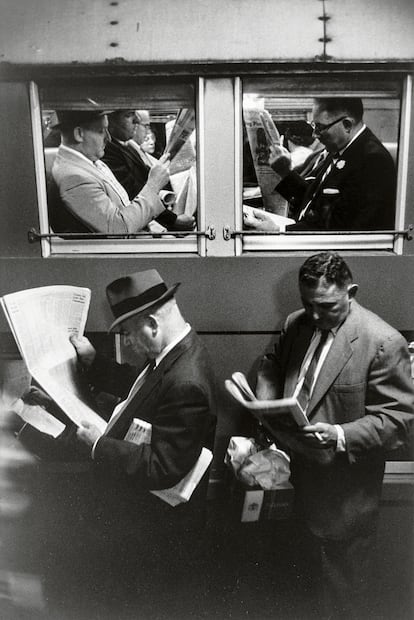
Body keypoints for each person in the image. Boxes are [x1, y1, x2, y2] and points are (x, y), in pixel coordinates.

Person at [19, 269, 217, 615]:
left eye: (128, 333)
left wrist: (98, 445)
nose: (127, 342)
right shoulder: (176, 352)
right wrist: (95, 363)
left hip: (157, 533)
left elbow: (164, 466)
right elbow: (141, 391)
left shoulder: (187, 382)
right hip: (148, 524)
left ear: (152, 324)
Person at [254, 252, 414, 619]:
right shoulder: (297, 323)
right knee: (297, 600)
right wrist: (265, 405)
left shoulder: (383, 342)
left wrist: (340, 434)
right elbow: (272, 362)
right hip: (293, 492)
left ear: (351, 292)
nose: (314, 316)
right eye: (307, 304)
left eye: (325, 306)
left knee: (339, 607)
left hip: (343, 507)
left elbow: (399, 420)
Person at [246, 98, 396, 232]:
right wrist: (285, 172)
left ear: (347, 125)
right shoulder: (340, 148)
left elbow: (338, 230)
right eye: (314, 126)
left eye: (321, 128)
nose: (315, 135)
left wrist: (280, 230)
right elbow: (313, 202)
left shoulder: (372, 161)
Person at [50, 109, 171, 234]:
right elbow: (119, 228)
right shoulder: (74, 178)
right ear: (79, 134)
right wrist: (153, 186)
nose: (108, 138)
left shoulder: (89, 161)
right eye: (101, 131)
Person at [102, 109, 194, 231]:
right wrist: (172, 220)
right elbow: (134, 192)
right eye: (129, 115)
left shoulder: (126, 146)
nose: (137, 120)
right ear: (109, 120)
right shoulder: (107, 151)